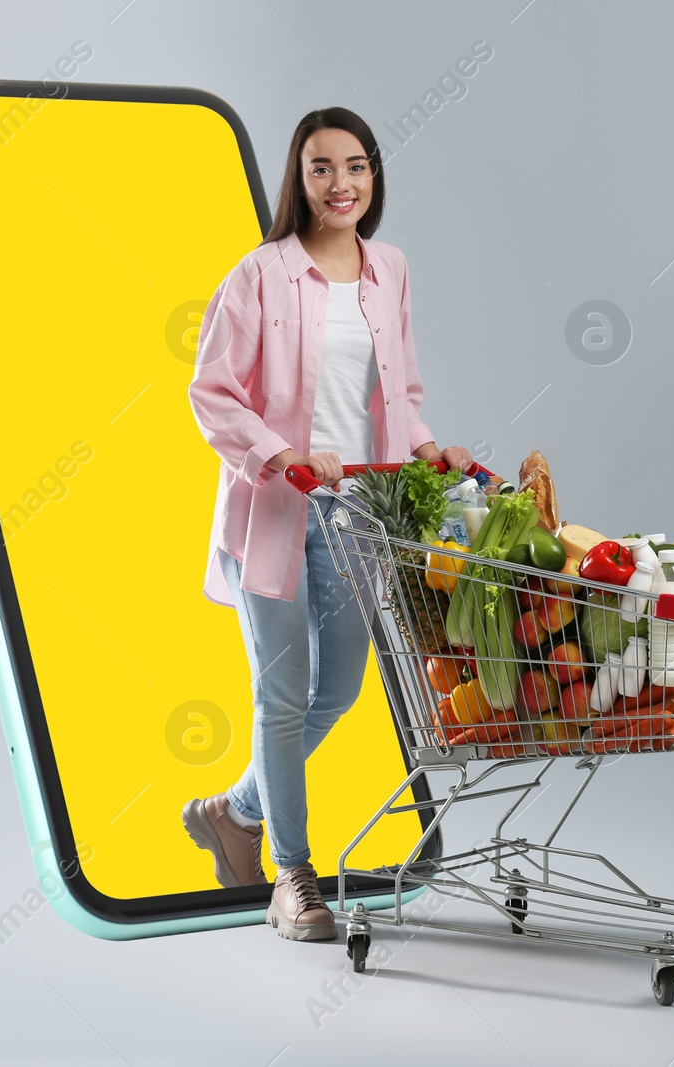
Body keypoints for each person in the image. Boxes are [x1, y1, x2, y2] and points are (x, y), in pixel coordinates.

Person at [183, 107, 472, 942]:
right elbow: (212, 393)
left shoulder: (391, 269)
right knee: (278, 698)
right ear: (298, 180)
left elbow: (402, 392)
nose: (340, 183)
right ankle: (293, 876)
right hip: (273, 514)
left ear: (373, 177)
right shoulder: (260, 274)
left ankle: (229, 811)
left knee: (338, 689)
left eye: (355, 166)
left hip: (356, 517)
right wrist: (279, 455)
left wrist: (428, 449)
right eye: (321, 168)